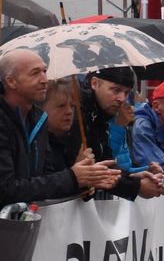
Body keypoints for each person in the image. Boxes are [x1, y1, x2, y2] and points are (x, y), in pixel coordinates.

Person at [0, 50, 120, 203]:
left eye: (44, 71)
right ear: (11, 82)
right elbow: (5, 189)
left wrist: (84, 181)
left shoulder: (38, 119)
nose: (44, 79)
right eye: (34, 73)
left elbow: (45, 180)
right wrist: (72, 177)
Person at [75, 67, 164, 200]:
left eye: (127, 92)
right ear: (94, 83)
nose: (122, 98)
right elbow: (94, 169)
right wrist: (136, 186)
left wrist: (134, 175)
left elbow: (106, 161)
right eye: (115, 90)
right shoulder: (79, 114)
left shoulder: (101, 113)